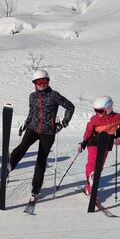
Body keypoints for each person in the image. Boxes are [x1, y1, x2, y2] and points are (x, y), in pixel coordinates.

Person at [9, 69, 75, 197]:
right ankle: (8, 166)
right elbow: (31, 112)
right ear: (34, 83)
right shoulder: (32, 96)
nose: (42, 84)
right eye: (39, 82)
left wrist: (63, 123)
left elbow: (70, 107)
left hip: (48, 132)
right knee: (22, 147)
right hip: (33, 128)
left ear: (48, 82)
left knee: (41, 158)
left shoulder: (54, 95)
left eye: (44, 81)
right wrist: (26, 124)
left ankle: (36, 187)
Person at [78, 95, 120, 194]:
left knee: (100, 165)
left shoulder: (117, 117)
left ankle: (93, 179)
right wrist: (84, 142)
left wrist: (119, 135)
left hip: (107, 143)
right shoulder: (95, 119)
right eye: (95, 110)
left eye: (100, 111)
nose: (97, 113)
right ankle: (90, 182)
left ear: (108, 109)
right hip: (94, 141)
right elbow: (89, 130)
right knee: (92, 160)